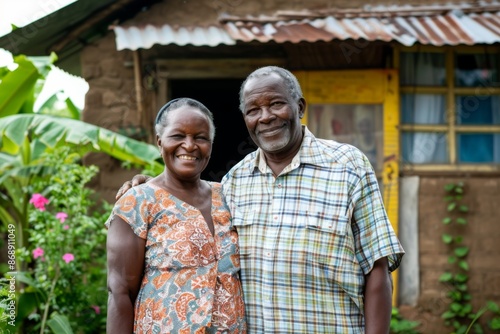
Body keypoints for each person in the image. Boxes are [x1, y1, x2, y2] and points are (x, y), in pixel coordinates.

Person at [117, 67, 405, 333]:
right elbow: (183, 199)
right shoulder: (234, 183)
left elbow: (376, 270)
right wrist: (145, 187)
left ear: (300, 107)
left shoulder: (348, 166)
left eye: (276, 104)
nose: (265, 116)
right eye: (253, 109)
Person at [106, 98, 246, 333]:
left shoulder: (227, 196)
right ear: (160, 142)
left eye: (200, 138)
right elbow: (120, 293)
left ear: (211, 144)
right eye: (178, 136)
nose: (189, 145)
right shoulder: (137, 203)